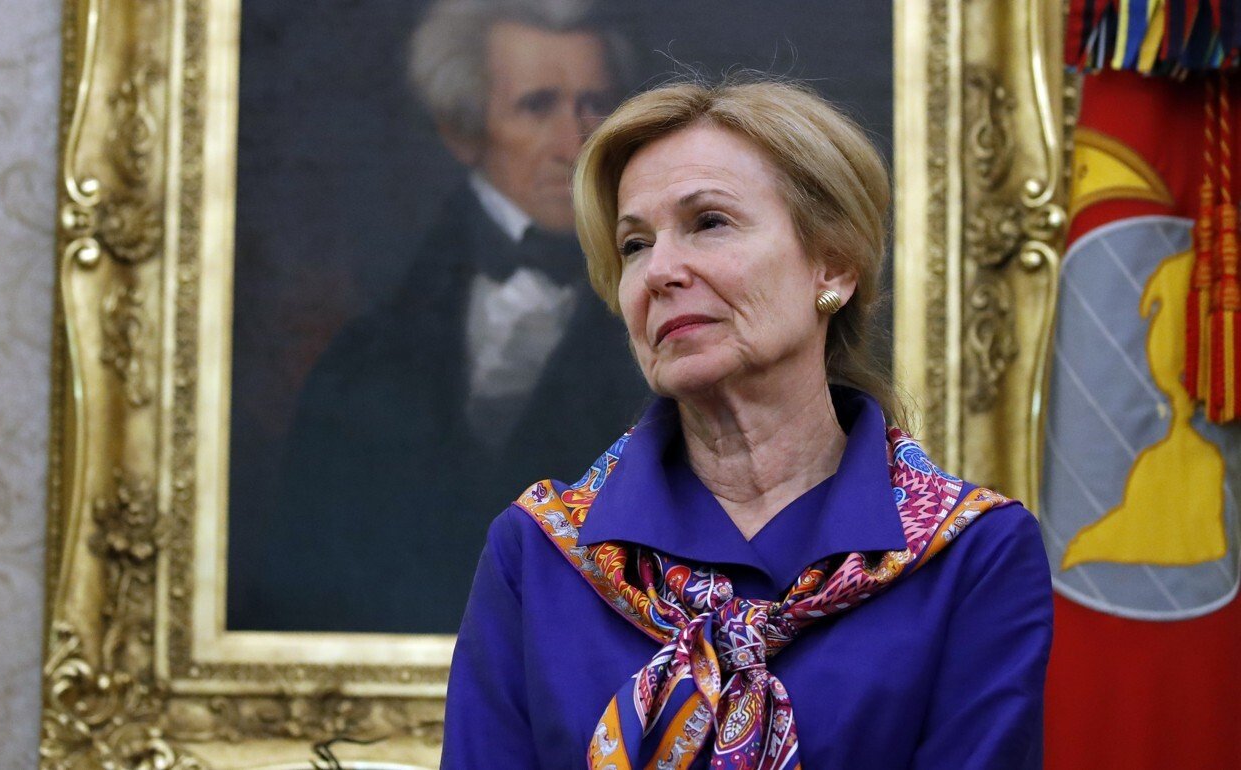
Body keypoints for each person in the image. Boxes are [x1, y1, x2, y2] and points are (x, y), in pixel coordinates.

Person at [442, 78, 1054, 768]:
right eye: (635, 244)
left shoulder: (974, 556)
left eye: (709, 222)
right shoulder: (539, 553)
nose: (660, 271)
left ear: (836, 263)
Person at [251, 0, 649, 633]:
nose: (576, 141)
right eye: (537, 105)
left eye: (594, 103)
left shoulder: (666, 321)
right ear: (461, 131)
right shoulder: (366, 352)